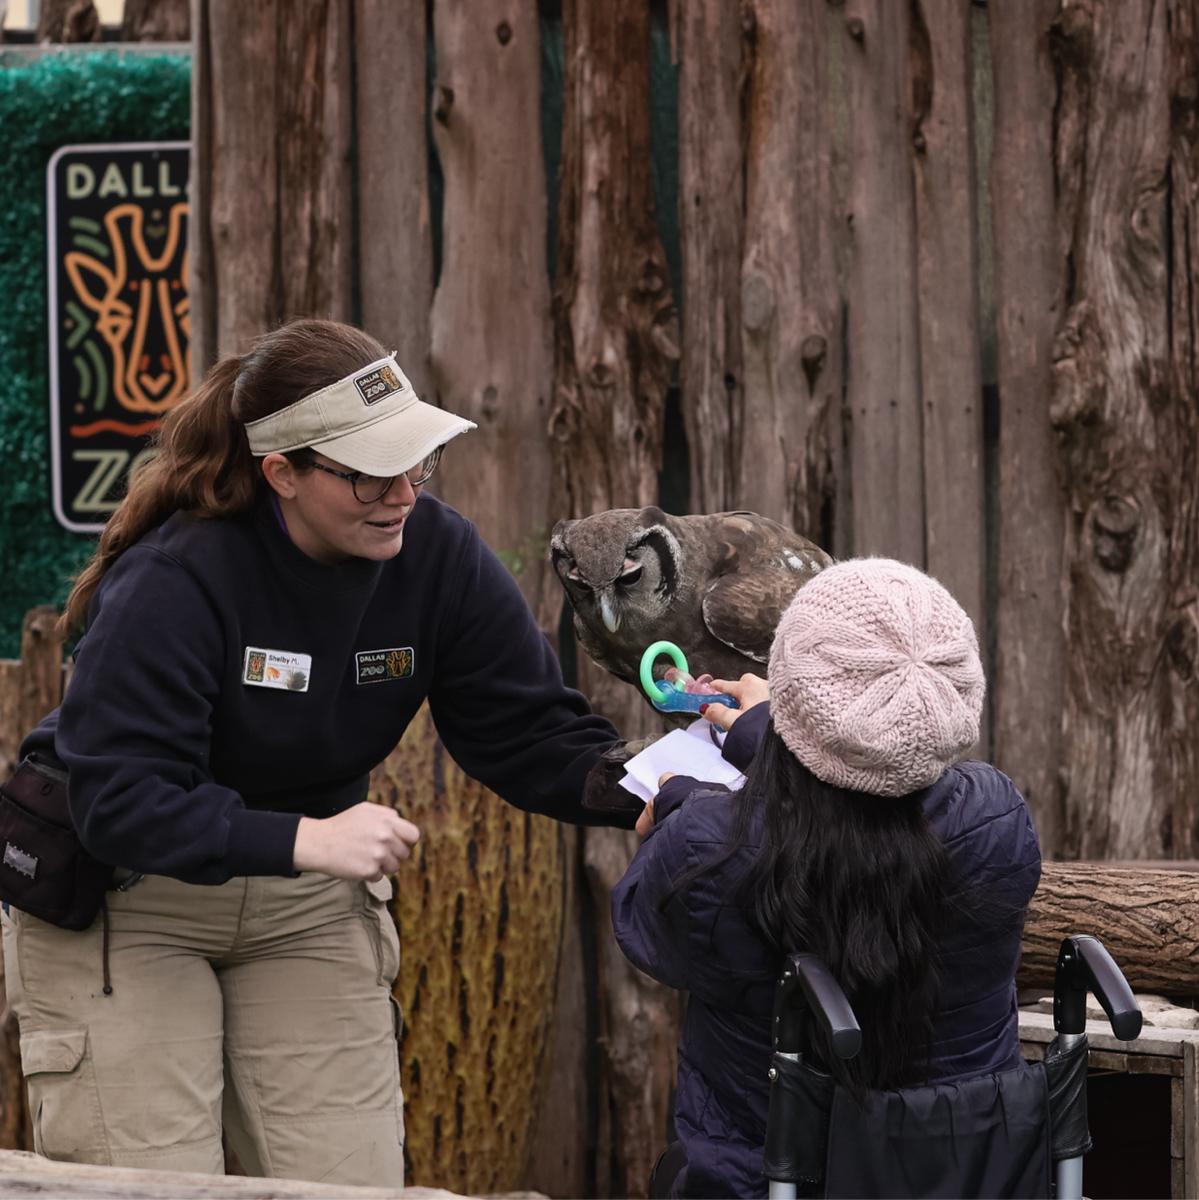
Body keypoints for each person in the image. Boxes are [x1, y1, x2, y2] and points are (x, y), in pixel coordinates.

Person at [1, 318, 638, 1187]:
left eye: (416, 461)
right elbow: (120, 803)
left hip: (302, 908)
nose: (403, 494)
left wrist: (650, 786)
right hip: (126, 899)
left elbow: (527, 729)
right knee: (153, 1186)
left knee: (349, 1184)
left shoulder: (436, 556)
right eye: (370, 472)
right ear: (283, 475)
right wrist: (305, 837)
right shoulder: (177, 579)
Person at [613, 558, 1041, 1198]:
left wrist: (683, 804)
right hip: (967, 1180)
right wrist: (766, 734)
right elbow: (876, 804)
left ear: (793, 694)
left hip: (766, 1182)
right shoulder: (996, 824)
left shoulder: (704, 852)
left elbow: (646, 922)